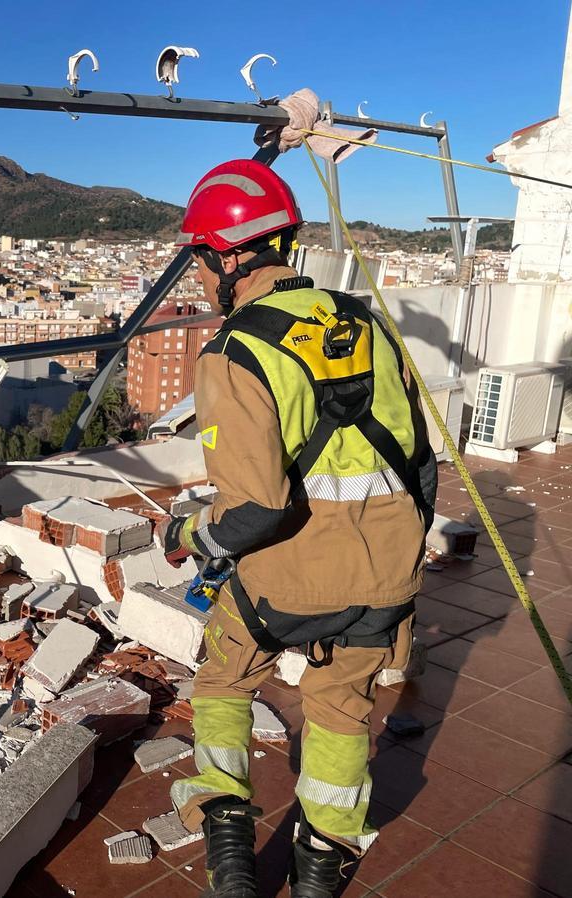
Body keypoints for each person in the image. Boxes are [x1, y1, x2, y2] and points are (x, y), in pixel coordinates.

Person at [163, 161, 437, 898]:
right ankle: (322, 868)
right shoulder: (368, 324)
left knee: (223, 679)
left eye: (196, 259)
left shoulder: (234, 351)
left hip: (286, 579)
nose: (194, 277)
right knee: (342, 712)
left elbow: (255, 510)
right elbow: (420, 462)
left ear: (227, 257)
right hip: (386, 568)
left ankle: (229, 842)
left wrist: (190, 535)